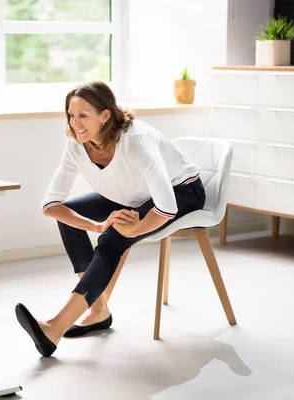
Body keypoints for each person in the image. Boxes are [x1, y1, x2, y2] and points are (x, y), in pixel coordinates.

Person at [15, 81, 206, 357]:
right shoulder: (77, 144)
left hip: (182, 191)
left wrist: (132, 229)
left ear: (105, 115)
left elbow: (166, 206)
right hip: (131, 194)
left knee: (113, 238)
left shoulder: (135, 142)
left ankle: (54, 329)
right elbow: (51, 204)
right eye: (71, 114)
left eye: (83, 115)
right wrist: (96, 224)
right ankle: (99, 309)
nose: (75, 122)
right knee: (70, 218)